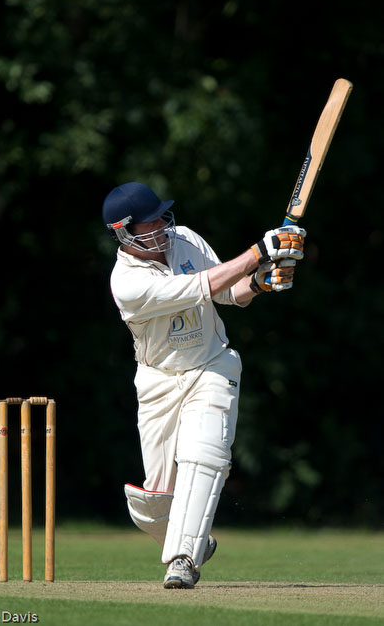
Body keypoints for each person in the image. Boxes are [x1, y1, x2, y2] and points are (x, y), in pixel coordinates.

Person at [102, 182, 305, 589]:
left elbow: (227, 291)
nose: (161, 226)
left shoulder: (185, 240)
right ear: (124, 232)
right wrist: (259, 252)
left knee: (204, 456)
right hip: (158, 381)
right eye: (149, 223)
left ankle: (183, 560)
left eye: (160, 217)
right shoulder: (126, 282)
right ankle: (193, 537)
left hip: (211, 365)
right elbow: (202, 287)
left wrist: (260, 282)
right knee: (153, 502)